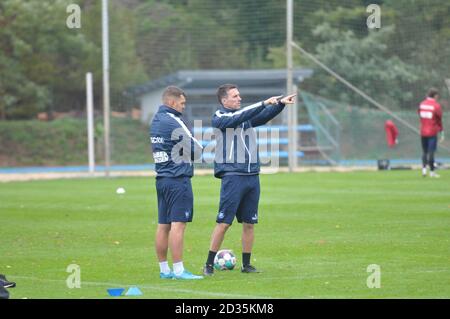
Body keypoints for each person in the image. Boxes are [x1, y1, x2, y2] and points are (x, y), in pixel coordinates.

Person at [203, 84, 296, 276]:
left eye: (239, 95)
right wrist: (263, 102)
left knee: (249, 223)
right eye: (235, 96)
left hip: (252, 176)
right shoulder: (220, 118)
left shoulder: (244, 117)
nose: (239, 98)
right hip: (233, 176)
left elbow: (262, 116)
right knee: (224, 223)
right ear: (224, 100)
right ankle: (209, 264)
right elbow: (240, 116)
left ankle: (246, 265)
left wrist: (280, 104)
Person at [150, 86, 204, 280]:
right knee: (178, 225)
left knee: (163, 225)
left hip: (162, 179)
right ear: (172, 102)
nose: (183, 107)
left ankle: (165, 270)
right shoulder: (173, 121)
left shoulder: (156, 120)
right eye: (182, 103)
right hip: (177, 179)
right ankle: (179, 270)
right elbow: (197, 150)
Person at [418, 88, 444, 178]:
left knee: (424, 151)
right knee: (431, 152)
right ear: (435, 96)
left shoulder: (421, 104)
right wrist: (441, 131)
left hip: (423, 131)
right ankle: (432, 172)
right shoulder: (436, 106)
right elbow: (439, 119)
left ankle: (424, 170)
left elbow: (420, 115)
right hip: (432, 132)